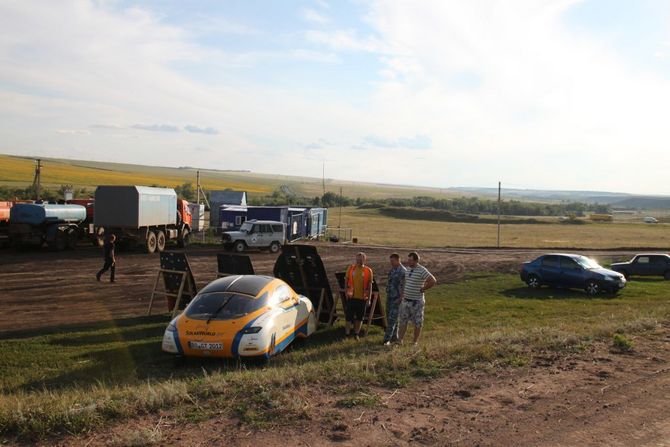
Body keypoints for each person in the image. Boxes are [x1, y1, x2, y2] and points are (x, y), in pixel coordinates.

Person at [398, 252, 436, 345]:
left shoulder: (422, 270)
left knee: (418, 322)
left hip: (417, 302)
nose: (408, 261)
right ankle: (399, 341)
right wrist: (402, 294)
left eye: (410, 260)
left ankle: (414, 342)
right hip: (406, 300)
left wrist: (424, 288)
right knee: (403, 321)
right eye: (408, 259)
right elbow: (406, 283)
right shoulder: (407, 269)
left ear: (416, 261)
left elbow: (433, 280)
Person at [344, 252, 373, 340]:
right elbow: (346, 281)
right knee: (348, 317)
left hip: (362, 298)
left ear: (364, 259)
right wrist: (346, 292)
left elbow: (370, 285)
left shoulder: (368, 270)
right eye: (357, 259)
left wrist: (369, 299)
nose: (358, 261)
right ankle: (347, 334)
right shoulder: (351, 268)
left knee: (360, 318)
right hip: (351, 297)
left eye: (360, 259)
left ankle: (356, 333)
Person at [383, 253, 406, 346]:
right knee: (391, 318)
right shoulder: (393, 270)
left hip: (397, 298)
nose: (391, 263)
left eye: (392, 261)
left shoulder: (402, 271)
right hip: (390, 297)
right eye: (390, 261)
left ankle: (386, 340)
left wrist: (401, 298)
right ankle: (394, 338)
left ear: (398, 260)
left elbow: (404, 286)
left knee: (392, 319)